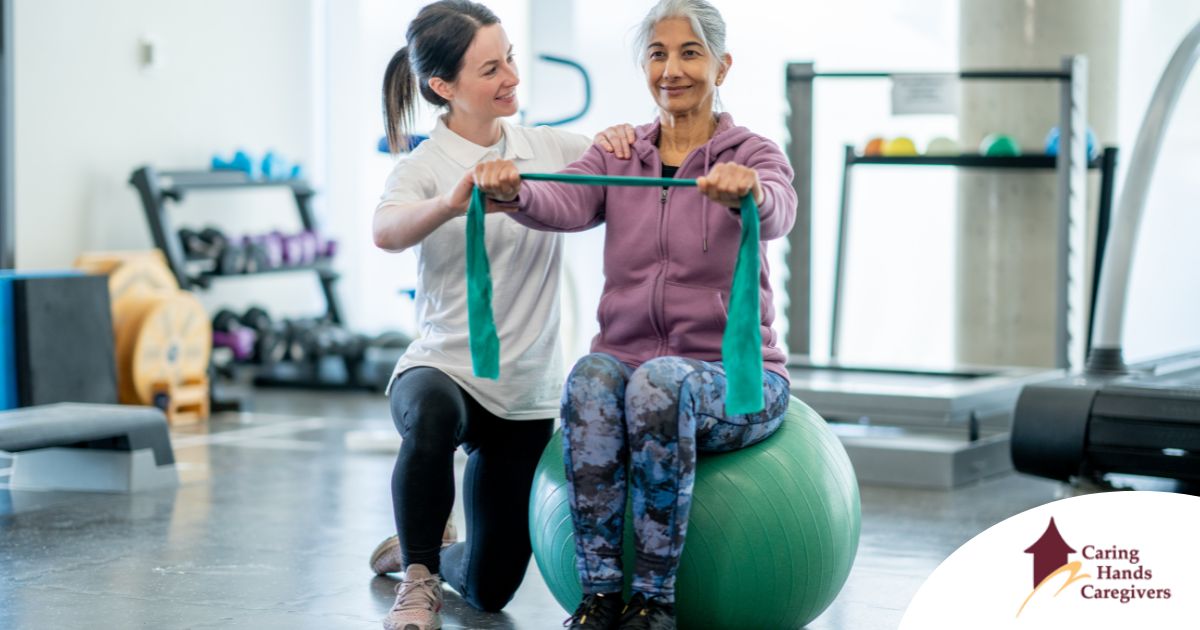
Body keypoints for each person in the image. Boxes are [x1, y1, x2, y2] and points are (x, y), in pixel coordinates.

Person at [472, 1, 796, 628]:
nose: (672, 68)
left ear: (722, 65)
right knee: (593, 376)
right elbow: (561, 196)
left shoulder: (752, 153)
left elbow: (781, 208)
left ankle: (654, 604)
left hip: (736, 383)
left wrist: (748, 191)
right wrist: (514, 191)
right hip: (633, 371)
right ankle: (598, 598)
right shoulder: (619, 154)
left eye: (690, 52)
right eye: (658, 53)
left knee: (657, 385)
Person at [371, 2, 634, 629]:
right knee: (430, 416)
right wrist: (449, 203)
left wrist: (627, 140)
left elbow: (621, 163)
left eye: (510, 57)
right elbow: (385, 230)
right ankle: (418, 577)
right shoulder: (423, 167)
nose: (512, 76)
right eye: (491, 68)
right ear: (444, 87)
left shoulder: (547, 147)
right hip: (445, 368)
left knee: (491, 590)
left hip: (523, 391)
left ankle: (423, 551)